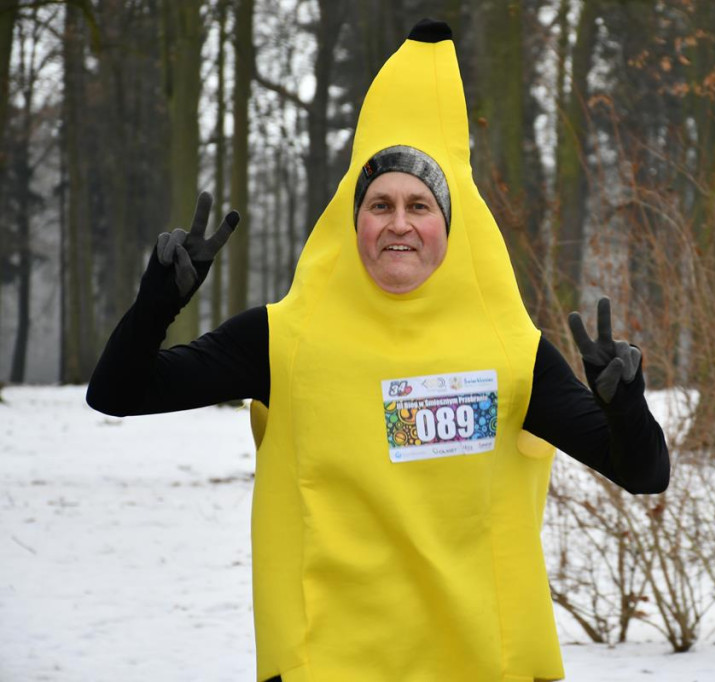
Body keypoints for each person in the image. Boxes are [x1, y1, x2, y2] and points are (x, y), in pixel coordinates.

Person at [87, 19, 669, 682]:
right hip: (327, 664)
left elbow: (644, 472)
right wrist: (157, 303)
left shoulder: (513, 355)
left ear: (451, 225)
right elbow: (116, 393)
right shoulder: (284, 340)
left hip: (482, 665)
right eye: (379, 204)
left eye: (420, 205)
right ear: (352, 219)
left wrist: (626, 407)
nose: (399, 224)